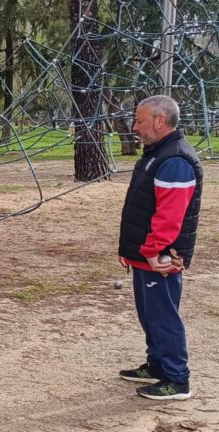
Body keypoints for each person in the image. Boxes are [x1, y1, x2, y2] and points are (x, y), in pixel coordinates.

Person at [117, 95, 203, 401]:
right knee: (150, 314)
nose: (134, 126)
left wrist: (153, 251)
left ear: (160, 121)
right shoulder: (157, 153)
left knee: (162, 315)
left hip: (161, 255)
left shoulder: (175, 160)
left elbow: (169, 217)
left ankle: (177, 379)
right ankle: (157, 364)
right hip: (146, 254)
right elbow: (142, 207)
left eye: (139, 120)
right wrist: (131, 250)